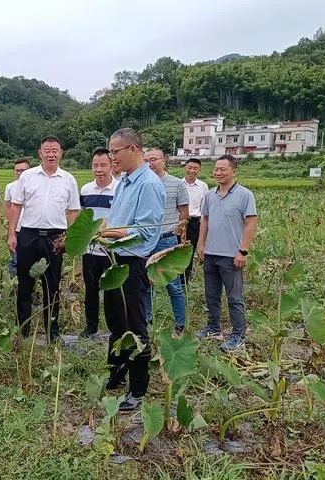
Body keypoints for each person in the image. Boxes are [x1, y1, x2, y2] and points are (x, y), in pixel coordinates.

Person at [100, 128, 165, 412]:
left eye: (115, 152)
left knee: (135, 325)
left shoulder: (148, 184)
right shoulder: (125, 182)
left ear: (134, 149)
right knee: (116, 322)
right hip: (115, 259)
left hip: (133, 263)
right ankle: (116, 371)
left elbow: (147, 231)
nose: (112, 158)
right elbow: (118, 220)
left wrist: (110, 233)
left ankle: (138, 388)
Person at [8, 136, 81, 342]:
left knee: (52, 285)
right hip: (28, 235)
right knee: (25, 285)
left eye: (55, 150)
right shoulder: (28, 176)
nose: (51, 154)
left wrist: (69, 237)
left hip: (55, 238)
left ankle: (52, 331)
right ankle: (22, 330)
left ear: (61, 153)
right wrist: (12, 234)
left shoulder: (68, 179)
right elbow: (16, 206)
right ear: (40, 153)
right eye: (47, 150)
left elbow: (73, 211)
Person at [196, 155, 257, 353]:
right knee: (211, 295)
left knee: (234, 297)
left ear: (233, 171)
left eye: (222, 169)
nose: (218, 173)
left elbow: (250, 224)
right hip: (211, 253)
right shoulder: (210, 195)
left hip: (231, 255)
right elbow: (205, 220)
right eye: (216, 169)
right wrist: (200, 244)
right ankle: (213, 328)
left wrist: (243, 251)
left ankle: (238, 336)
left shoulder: (244, 195)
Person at [144, 148, 189, 335]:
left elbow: (184, 213)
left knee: (173, 285)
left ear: (164, 160)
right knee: (146, 284)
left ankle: (180, 324)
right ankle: (147, 321)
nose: (150, 163)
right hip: (146, 240)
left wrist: (180, 229)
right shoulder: (143, 184)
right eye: (146, 160)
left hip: (166, 240)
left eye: (153, 159)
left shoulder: (177, 184)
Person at [79, 148, 118, 339]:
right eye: (95, 165)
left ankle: (114, 328)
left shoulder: (120, 189)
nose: (99, 169)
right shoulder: (85, 190)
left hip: (112, 249)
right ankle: (91, 326)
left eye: (103, 165)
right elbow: (82, 218)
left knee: (112, 290)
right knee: (91, 290)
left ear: (111, 166)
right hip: (90, 249)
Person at [181, 158, 209, 284]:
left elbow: (204, 209)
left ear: (199, 170)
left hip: (195, 222)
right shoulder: (178, 184)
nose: (192, 171)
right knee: (177, 250)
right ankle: (175, 278)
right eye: (190, 167)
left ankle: (185, 280)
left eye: (195, 168)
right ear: (185, 168)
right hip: (180, 222)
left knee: (189, 252)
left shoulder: (203, 186)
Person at [4, 158, 31, 277]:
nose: (20, 173)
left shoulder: (36, 186)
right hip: (16, 230)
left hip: (31, 230)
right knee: (14, 260)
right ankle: (13, 288)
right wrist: (10, 230)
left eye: (23, 171)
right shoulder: (10, 187)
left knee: (31, 261)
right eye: (17, 171)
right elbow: (7, 208)